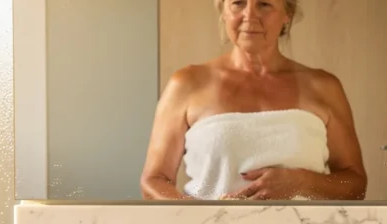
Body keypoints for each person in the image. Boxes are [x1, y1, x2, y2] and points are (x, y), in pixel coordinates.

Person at [140, 0, 367, 201]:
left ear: (287, 13)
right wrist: (201, 215)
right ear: (223, 11)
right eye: (238, 3)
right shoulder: (187, 83)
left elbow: (355, 186)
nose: (249, 15)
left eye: (264, 4)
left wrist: (302, 182)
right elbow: (154, 181)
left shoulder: (324, 87)